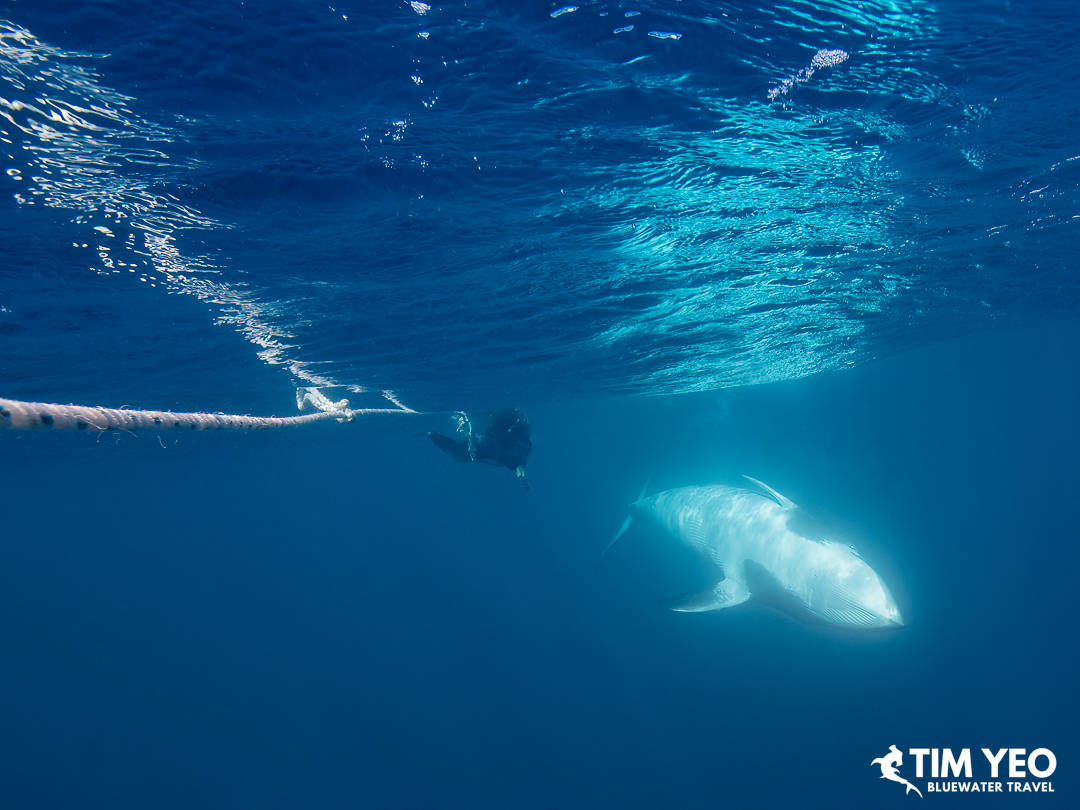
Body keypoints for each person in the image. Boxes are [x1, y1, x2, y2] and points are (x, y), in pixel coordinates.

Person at [427, 407, 531, 488]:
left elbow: (511, 458)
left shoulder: (496, 449)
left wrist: (519, 466)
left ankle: (430, 432)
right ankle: (430, 433)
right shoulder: (504, 435)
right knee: (461, 454)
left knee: (460, 455)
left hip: (493, 441)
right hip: (496, 434)